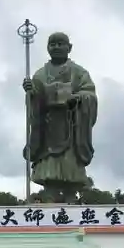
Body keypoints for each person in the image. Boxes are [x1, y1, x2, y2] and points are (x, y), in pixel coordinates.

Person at [22, 32, 98, 202]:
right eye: (52, 44)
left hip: (72, 129)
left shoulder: (79, 73)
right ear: (48, 48)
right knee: (50, 177)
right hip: (48, 131)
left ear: (69, 47)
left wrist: (77, 98)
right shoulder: (40, 75)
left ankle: (71, 199)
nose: (56, 47)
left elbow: (90, 95)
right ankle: (49, 199)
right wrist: (31, 93)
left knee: (71, 174)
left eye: (60, 44)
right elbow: (35, 104)